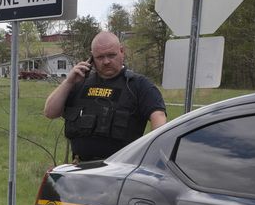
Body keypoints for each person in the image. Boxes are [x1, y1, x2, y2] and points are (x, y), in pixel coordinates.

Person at [44, 31, 167, 162]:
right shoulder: (79, 82)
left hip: (120, 170)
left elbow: (159, 119)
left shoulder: (139, 85)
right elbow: (50, 112)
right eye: (100, 57)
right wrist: (68, 82)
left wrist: (153, 156)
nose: (106, 61)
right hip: (80, 168)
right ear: (91, 58)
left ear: (122, 51)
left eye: (111, 55)